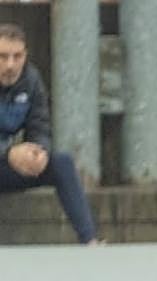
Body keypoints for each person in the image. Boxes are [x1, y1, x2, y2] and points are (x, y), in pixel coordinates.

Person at [0, 23, 98, 245]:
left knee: (61, 162)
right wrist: (8, 153)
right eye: (3, 57)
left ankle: (90, 240)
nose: (10, 65)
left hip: (8, 165)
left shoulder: (31, 80)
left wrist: (38, 151)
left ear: (25, 55)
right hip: (6, 156)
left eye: (17, 56)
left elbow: (40, 125)